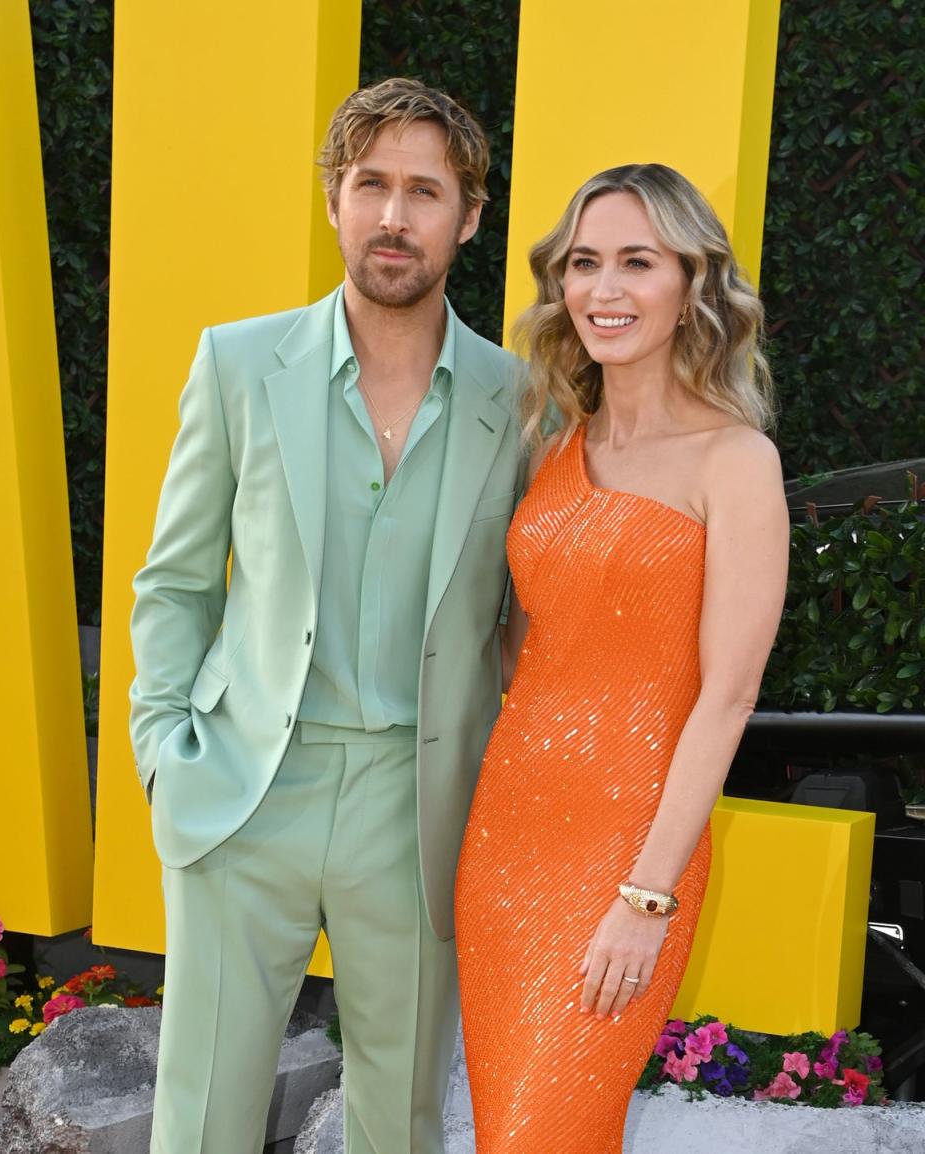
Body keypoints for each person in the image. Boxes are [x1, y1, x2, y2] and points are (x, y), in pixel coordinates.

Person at [128, 77, 523, 1154]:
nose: (396, 215)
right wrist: (164, 746)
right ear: (337, 201)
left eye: (426, 192)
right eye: (372, 185)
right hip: (248, 781)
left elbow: (526, 617)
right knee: (202, 1109)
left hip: (417, 801)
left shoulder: (519, 398)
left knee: (399, 1120)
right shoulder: (240, 362)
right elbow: (174, 578)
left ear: (469, 217)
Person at [455, 163, 789, 1153]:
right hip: (505, 840)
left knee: (542, 1132)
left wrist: (647, 895)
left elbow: (726, 698)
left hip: (629, 857)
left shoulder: (736, 462)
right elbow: (528, 647)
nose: (604, 289)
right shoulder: (553, 440)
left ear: (692, 284)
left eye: (636, 262)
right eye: (585, 263)